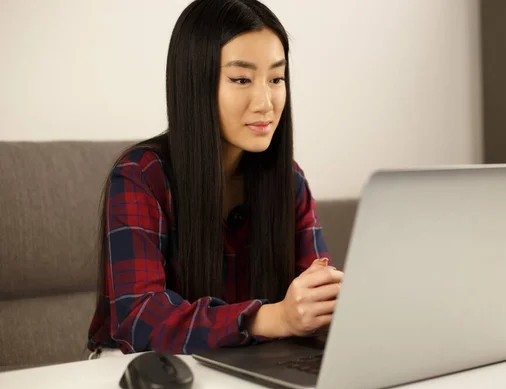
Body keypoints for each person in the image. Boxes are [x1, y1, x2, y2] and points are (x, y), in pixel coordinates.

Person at [87, 0, 343, 357]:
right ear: (196, 84)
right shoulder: (140, 176)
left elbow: (315, 296)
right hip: (143, 373)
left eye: (276, 78)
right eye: (242, 79)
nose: (266, 102)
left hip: (247, 365)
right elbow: (139, 319)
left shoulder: (289, 182)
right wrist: (271, 318)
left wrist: (328, 302)